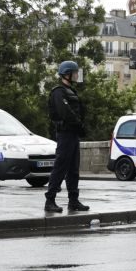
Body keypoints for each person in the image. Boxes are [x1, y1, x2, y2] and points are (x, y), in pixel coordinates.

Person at [45, 60, 89, 213]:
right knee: (60, 167)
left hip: (73, 133)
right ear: (67, 74)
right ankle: (50, 200)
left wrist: (80, 126)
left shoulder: (71, 91)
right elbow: (66, 113)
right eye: (75, 72)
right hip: (65, 133)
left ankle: (73, 200)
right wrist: (79, 124)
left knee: (73, 169)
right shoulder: (59, 91)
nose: (77, 75)